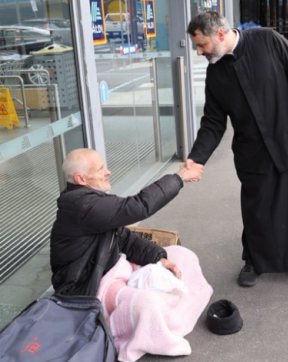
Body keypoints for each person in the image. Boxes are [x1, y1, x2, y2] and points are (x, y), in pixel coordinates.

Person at [185, 12, 288, 287]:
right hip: (252, 153)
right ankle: (254, 261)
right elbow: (212, 122)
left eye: (202, 46)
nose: (199, 52)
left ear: (220, 35)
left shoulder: (268, 40)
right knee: (258, 211)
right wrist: (197, 159)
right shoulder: (215, 74)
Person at [50, 148, 211, 361]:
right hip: (93, 285)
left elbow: (123, 237)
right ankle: (156, 325)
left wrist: (158, 257)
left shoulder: (89, 200)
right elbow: (138, 206)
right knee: (146, 303)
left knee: (182, 256)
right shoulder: (82, 206)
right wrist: (179, 177)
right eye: (100, 169)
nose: (108, 172)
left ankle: (167, 313)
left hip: (115, 267)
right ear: (81, 178)